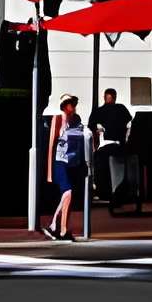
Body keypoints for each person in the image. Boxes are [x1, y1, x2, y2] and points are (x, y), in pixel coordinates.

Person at [43, 93, 87, 241]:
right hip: (60, 161)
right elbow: (51, 144)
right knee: (68, 193)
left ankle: (55, 226)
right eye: (69, 104)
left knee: (67, 196)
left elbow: (82, 140)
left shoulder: (77, 120)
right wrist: (50, 172)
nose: (72, 107)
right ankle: (62, 229)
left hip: (73, 162)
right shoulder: (57, 119)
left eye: (73, 104)